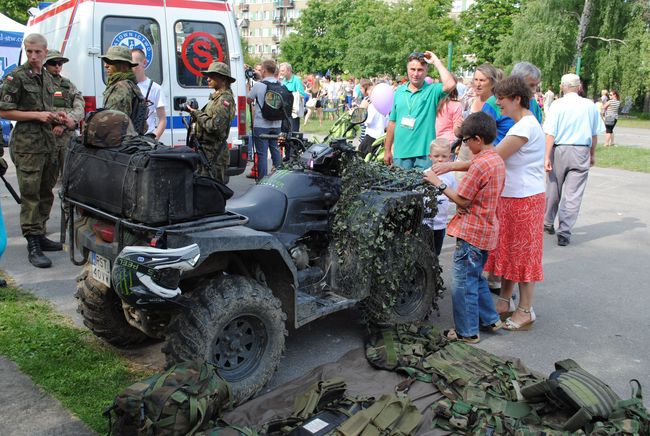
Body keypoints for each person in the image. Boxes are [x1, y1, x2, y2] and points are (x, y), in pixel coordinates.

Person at [423, 112, 506, 343]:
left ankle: (467, 332)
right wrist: (450, 167)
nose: (463, 145)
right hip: (487, 229)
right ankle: (490, 318)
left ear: (477, 139)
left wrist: (437, 182)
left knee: (462, 285)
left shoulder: (479, 166)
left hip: (471, 232)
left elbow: (462, 200)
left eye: (465, 140)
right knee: (477, 278)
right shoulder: (495, 158)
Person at [0, 33, 70, 268]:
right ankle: (32, 243)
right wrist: (37, 115)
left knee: (45, 192)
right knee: (30, 196)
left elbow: (47, 108)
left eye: (37, 52)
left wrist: (56, 116)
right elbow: (4, 111)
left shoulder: (48, 79)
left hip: (47, 144)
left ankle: (40, 234)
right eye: (29, 51)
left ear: (45, 51)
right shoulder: (16, 77)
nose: (33, 56)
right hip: (27, 146)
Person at [484, 76, 546, 331]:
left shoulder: (525, 127)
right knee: (509, 251)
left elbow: (495, 158)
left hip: (525, 199)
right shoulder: (519, 124)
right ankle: (504, 301)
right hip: (513, 198)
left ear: (517, 99)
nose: (498, 104)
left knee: (524, 256)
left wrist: (454, 164)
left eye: (502, 99)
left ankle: (525, 310)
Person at [543, 73, 604, 246]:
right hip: (581, 150)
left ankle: (548, 222)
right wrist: (592, 154)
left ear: (562, 87)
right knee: (573, 193)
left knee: (553, 187)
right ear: (579, 87)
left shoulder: (557, 105)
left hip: (559, 148)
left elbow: (550, 132)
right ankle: (564, 231)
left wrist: (546, 156)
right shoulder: (589, 105)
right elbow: (593, 134)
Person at [384, 50, 456, 169]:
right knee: (401, 188)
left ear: (426, 71)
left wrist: (436, 62)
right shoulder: (399, 92)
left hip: (424, 155)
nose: (416, 74)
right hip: (401, 153)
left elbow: (450, 84)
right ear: (407, 69)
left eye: (420, 70)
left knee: (423, 187)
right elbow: (392, 123)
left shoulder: (432, 90)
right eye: (413, 69)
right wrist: (387, 150)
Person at [185, 62, 236, 183]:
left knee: (212, 193)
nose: (208, 79)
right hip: (207, 153)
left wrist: (196, 113)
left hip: (214, 156)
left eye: (212, 76)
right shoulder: (216, 97)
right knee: (204, 192)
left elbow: (214, 127)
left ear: (223, 79)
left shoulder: (225, 99)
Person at [43, 49, 84, 179]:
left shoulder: (68, 85)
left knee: (69, 176)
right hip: (46, 136)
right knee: (46, 178)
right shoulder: (39, 84)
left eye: (60, 63)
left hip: (66, 137)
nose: (57, 66)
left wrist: (64, 124)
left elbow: (79, 107)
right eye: (53, 63)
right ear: (45, 64)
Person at [99, 45, 147, 134]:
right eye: (106, 62)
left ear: (122, 65)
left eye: (110, 62)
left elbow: (114, 124)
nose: (106, 65)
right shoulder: (128, 84)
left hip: (119, 142)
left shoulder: (121, 87)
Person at [247, 59, 282, 180]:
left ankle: (262, 181)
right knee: (275, 151)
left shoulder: (258, 85)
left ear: (264, 71)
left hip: (261, 124)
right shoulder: (281, 85)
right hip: (277, 124)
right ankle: (278, 179)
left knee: (262, 155)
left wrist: (251, 83)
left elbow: (249, 100)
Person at [422, 138, 458, 256]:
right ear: (430, 156)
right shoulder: (425, 174)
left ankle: (433, 274)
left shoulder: (451, 176)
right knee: (423, 253)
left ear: (450, 157)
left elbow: (455, 196)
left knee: (435, 254)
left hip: (440, 224)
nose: (440, 159)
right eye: (436, 156)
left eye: (444, 156)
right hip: (424, 223)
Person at [131, 48, 167, 140]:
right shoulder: (125, 86)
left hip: (146, 138)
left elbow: (162, 119)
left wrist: (155, 138)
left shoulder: (155, 88)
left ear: (144, 63)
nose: (132, 67)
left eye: (135, 64)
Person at [278, 62, 304, 160]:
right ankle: (285, 154)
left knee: (293, 133)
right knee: (283, 134)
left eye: (282, 70)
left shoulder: (296, 80)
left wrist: (290, 95)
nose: (281, 72)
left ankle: (294, 154)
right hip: (284, 112)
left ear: (289, 70)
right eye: (280, 70)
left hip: (293, 113)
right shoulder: (282, 81)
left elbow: (302, 95)